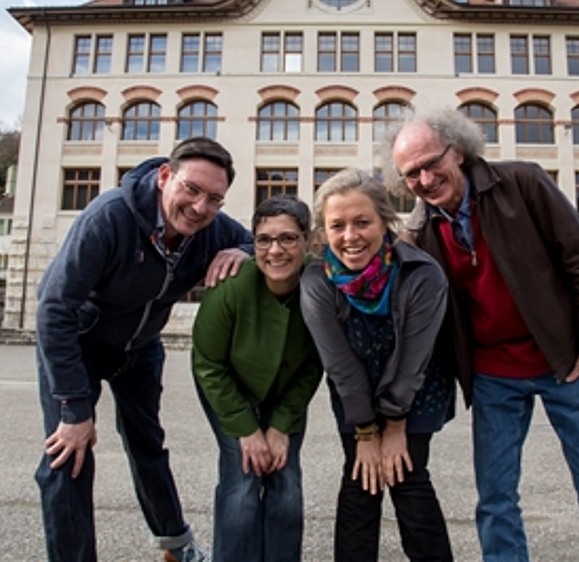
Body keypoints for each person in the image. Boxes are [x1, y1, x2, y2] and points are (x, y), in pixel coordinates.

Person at [384, 107, 579, 562]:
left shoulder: (523, 182)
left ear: (457, 151)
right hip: (493, 373)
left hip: (566, 362)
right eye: (411, 174)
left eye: (430, 163)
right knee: (496, 500)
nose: (424, 179)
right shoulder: (419, 231)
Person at [35, 137, 253, 562]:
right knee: (69, 455)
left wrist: (241, 251)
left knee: (148, 445)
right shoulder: (110, 217)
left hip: (140, 348)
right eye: (191, 189)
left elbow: (260, 243)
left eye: (214, 199)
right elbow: (53, 308)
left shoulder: (213, 228)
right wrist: (74, 409)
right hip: (79, 343)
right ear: (165, 177)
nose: (200, 207)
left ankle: (175, 546)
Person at [300, 168, 455, 562]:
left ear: (385, 221)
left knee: (407, 475)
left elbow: (414, 359)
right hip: (356, 392)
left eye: (362, 222)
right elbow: (339, 365)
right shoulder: (317, 280)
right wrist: (367, 431)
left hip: (415, 388)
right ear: (324, 230)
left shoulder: (422, 274)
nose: (350, 236)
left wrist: (396, 423)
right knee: (360, 475)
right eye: (337, 225)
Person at [192, 195, 323, 562]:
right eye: (264, 239)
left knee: (285, 483)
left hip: (285, 393)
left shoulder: (318, 284)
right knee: (244, 480)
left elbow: (314, 365)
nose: (275, 250)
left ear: (306, 240)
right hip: (229, 388)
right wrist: (247, 431)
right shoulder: (231, 286)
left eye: (288, 238)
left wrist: (281, 426)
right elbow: (208, 364)